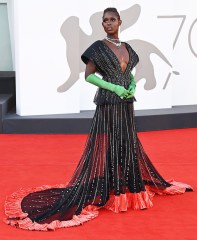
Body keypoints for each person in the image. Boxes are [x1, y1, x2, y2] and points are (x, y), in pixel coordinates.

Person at [4, 7, 192, 231]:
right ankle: (115, 191)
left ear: (120, 22)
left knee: (127, 140)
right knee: (112, 142)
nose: (109, 23)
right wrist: (114, 87)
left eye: (112, 19)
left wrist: (131, 85)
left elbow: (128, 72)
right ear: (102, 24)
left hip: (127, 103)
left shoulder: (128, 48)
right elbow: (89, 76)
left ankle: (127, 186)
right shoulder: (97, 48)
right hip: (108, 103)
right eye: (105, 21)